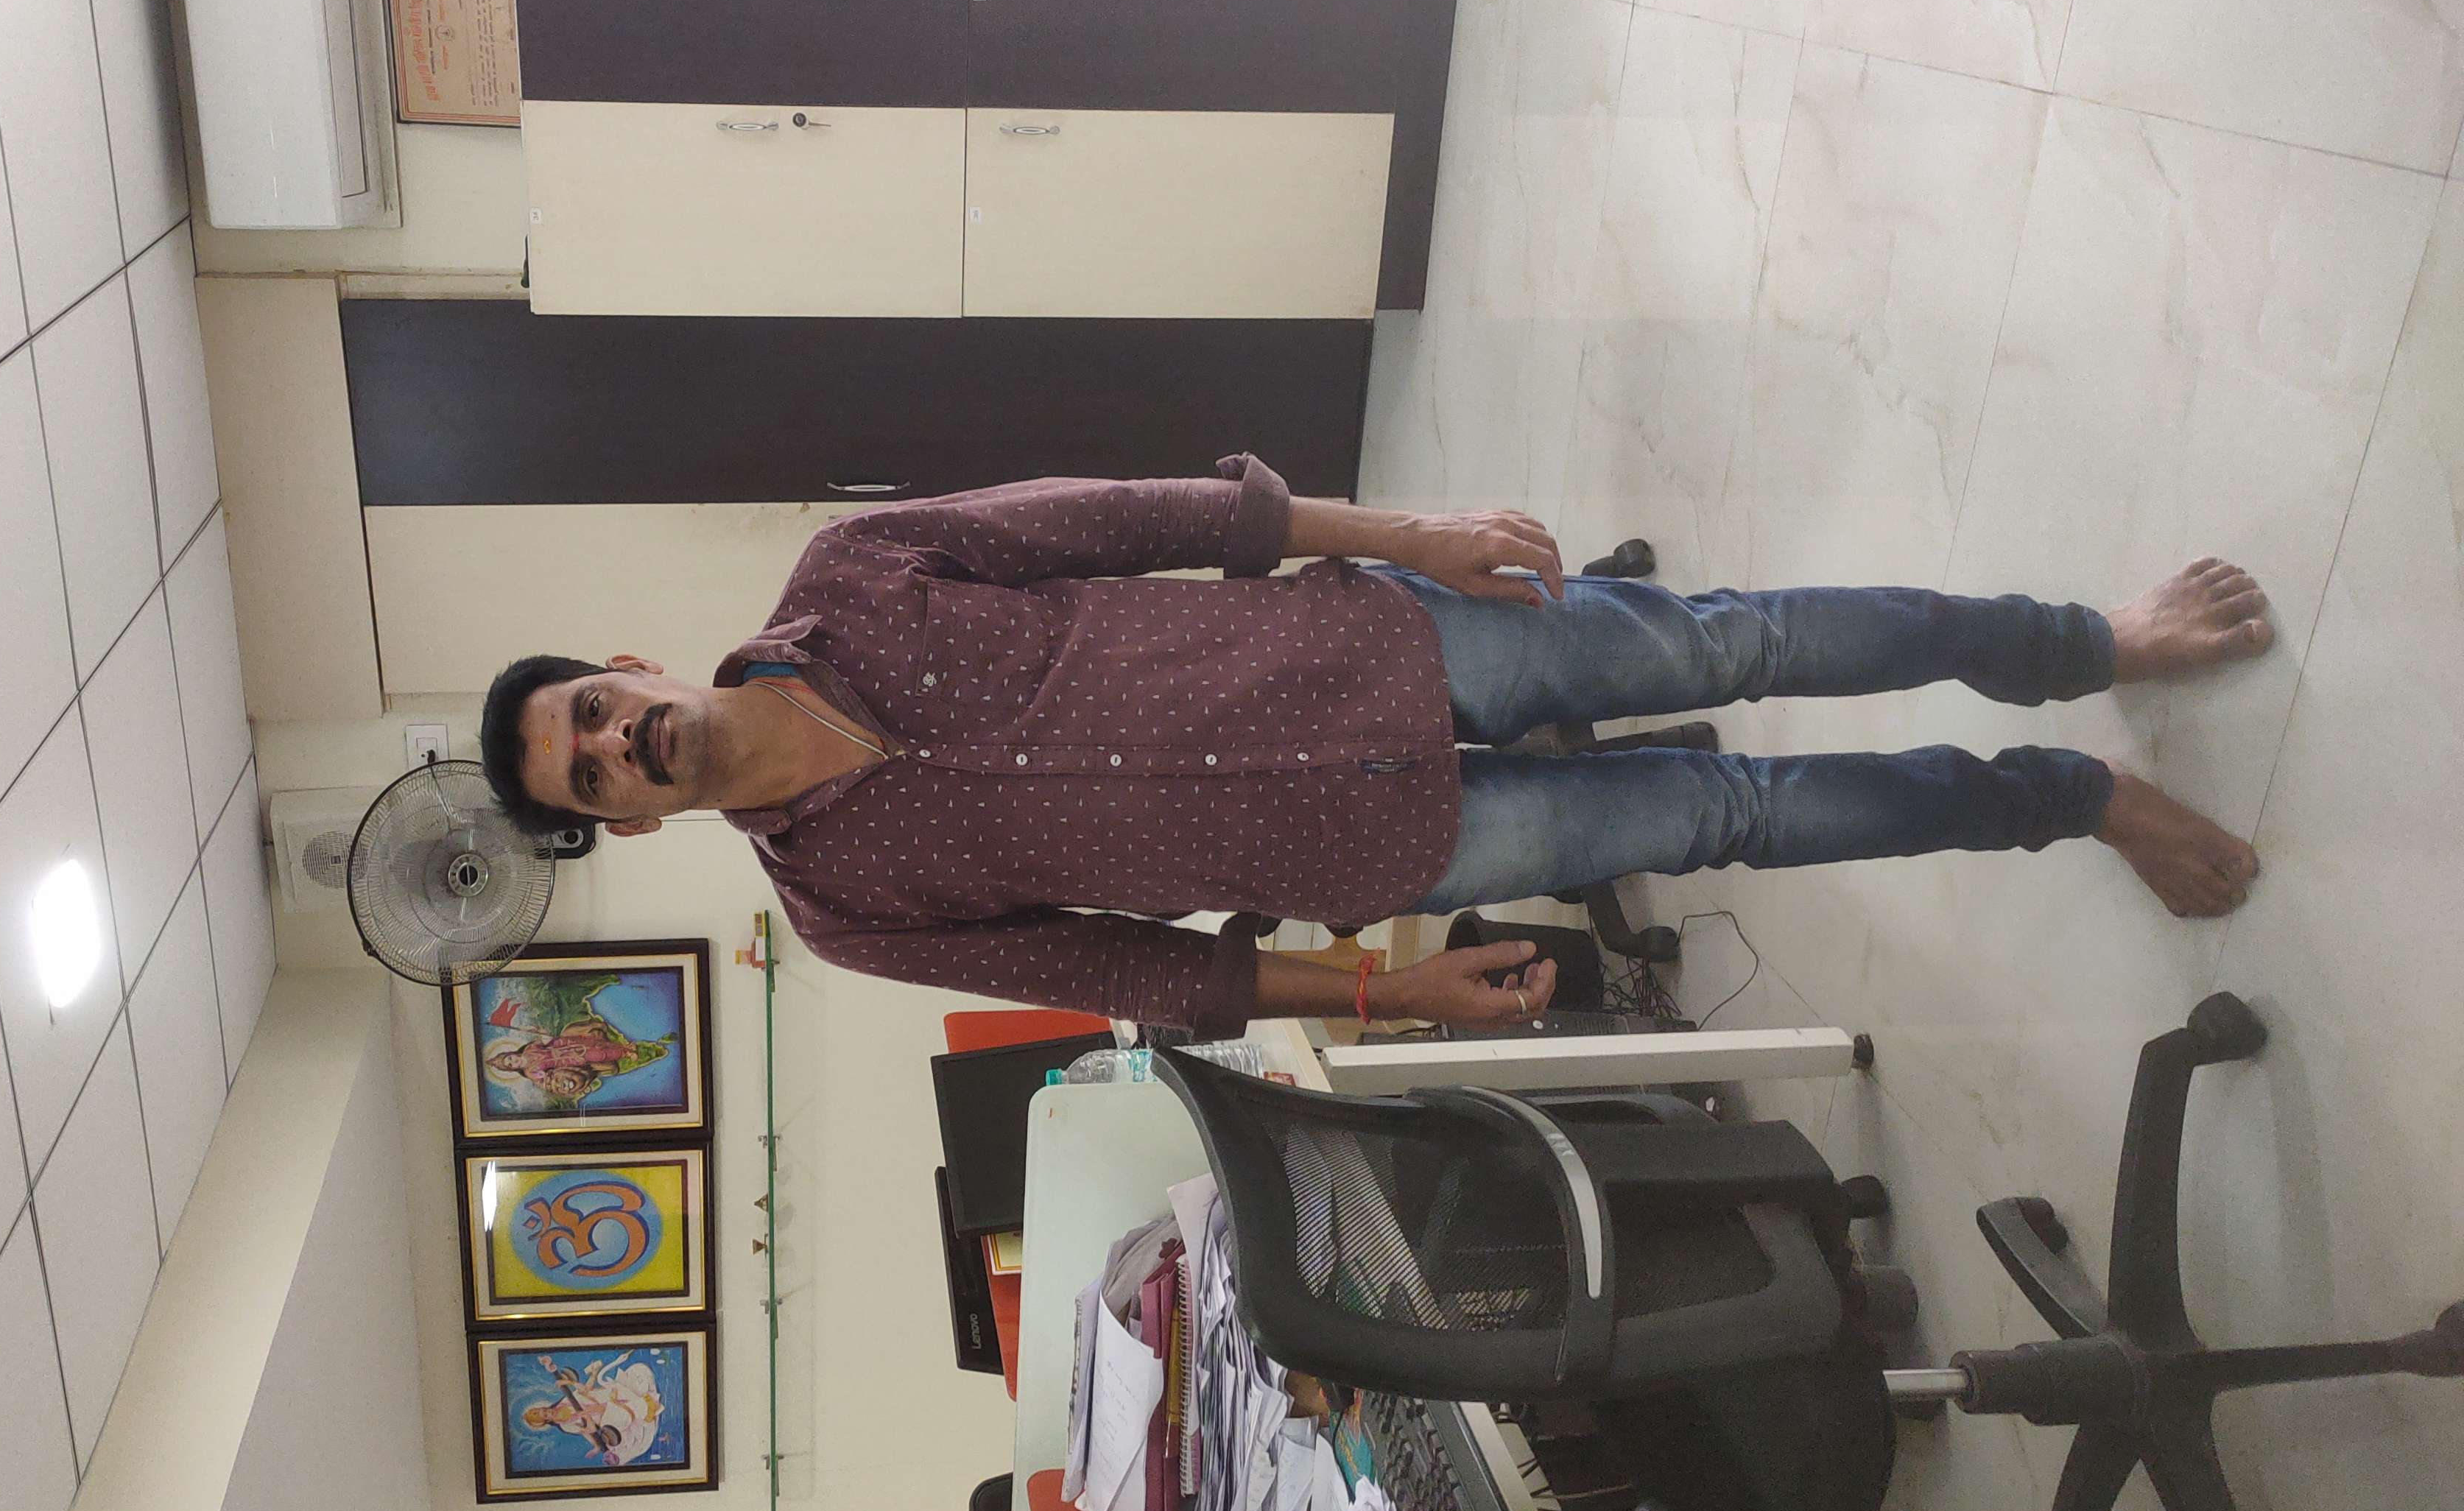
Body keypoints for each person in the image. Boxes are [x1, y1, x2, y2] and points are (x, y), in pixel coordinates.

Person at [478, 457, 2267, 1035]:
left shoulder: (852, 575)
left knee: (1741, 639)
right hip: (1378, 860)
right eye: (590, 775)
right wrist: (1383, 995)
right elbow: (1125, 977)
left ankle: (2083, 646)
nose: (619, 744)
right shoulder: (840, 911)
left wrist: (1406, 534)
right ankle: (2072, 797)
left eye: (592, 711)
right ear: (618, 828)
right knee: (1726, 815)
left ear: (625, 666)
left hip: (1377, 645)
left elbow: (1138, 514)